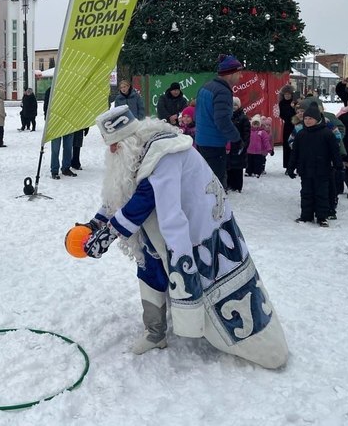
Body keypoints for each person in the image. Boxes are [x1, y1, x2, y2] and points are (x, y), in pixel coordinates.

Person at [77, 105, 288, 368]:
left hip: (196, 232)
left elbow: (143, 200)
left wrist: (106, 237)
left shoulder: (163, 154)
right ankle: (155, 333)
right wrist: (96, 222)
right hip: (157, 234)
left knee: (207, 282)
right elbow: (121, 191)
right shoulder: (136, 152)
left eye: (114, 145)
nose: (111, 151)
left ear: (129, 140)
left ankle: (256, 343)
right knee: (149, 268)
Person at [287, 103, 343, 227]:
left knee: (321, 194)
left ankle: (322, 217)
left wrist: (338, 166)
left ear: (317, 119)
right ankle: (306, 215)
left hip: (322, 170)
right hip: (305, 170)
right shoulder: (301, 134)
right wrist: (291, 168)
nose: (307, 121)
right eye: (305, 118)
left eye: (310, 118)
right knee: (306, 193)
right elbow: (295, 153)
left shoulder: (327, 134)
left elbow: (334, 151)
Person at [195, 54, 244, 189]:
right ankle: (215, 209)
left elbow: (197, 114)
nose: (241, 77)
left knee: (204, 181)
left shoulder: (207, 87)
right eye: (239, 73)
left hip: (202, 142)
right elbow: (222, 121)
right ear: (229, 74)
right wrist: (237, 138)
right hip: (214, 146)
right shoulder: (222, 91)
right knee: (215, 186)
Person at [43, 86, 77, 178]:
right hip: (55, 123)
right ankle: (54, 170)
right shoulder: (50, 90)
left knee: (68, 148)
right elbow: (46, 107)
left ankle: (66, 168)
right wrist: (47, 120)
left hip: (68, 122)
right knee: (55, 149)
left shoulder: (70, 89)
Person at [226, 98, 249, 192]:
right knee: (229, 166)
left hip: (239, 145)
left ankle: (238, 186)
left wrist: (244, 144)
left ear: (239, 106)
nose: (233, 107)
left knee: (238, 168)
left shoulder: (243, 118)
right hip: (229, 145)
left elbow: (246, 133)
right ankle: (230, 184)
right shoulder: (227, 117)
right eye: (232, 105)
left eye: (235, 105)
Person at [278, 85, 296, 171]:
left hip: (296, 125)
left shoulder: (295, 102)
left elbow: (298, 113)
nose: (287, 96)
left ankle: (295, 165)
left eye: (289, 94)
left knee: (295, 146)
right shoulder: (281, 103)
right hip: (287, 125)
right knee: (287, 145)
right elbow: (281, 114)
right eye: (286, 94)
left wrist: (294, 107)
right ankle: (287, 166)